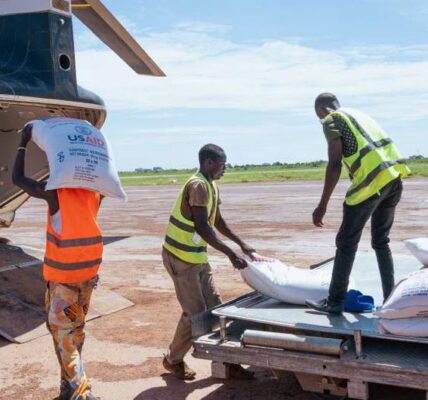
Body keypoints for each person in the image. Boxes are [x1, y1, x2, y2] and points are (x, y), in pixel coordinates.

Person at [13, 123, 102, 400]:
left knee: (64, 336)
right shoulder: (94, 194)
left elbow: (17, 178)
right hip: (88, 274)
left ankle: (82, 392)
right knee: (76, 331)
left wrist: (23, 141)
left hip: (63, 279)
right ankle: (67, 388)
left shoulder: (55, 196)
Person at [306, 93, 410, 314]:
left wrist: (322, 204)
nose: (320, 120)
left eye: (319, 116)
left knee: (346, 243)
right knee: (381, 241)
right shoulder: (359, 115)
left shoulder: (331, 119)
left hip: (370, 184)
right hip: (393, 179)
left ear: (322, 110)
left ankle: (334, 302)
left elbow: (334, 164)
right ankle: (390, 298)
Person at [162, 143, 255, 380]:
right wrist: (230, 254)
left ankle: (226, 358)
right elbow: (203, 228)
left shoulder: (211, 185)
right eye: (222, 164)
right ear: (209, 163)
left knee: (215, 307)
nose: (224, 169)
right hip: (180, 257)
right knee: (195, 313)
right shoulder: (197, 186)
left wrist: (240, 243)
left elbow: (217, 220)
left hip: (196, 256)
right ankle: (173, 360)